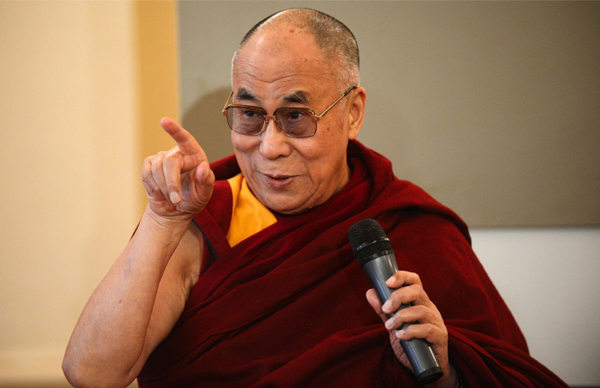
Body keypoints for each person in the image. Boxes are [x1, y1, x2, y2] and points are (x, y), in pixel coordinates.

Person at [63, 8, 567, 388]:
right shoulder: (206, 216)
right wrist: (161, 221)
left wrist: (448, 366)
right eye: (250, 115)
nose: (270, 148)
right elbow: (92, 374)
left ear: (353, 113)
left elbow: (506, 373)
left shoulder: (413, 228)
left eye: (296, 116)